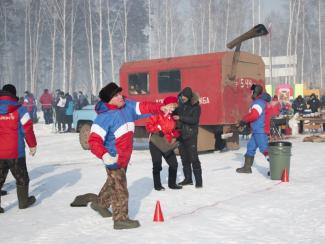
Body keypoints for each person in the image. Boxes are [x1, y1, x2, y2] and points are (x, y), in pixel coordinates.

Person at [87, 82, 175, 230]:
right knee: (120, 188)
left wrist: (160, 108)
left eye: (120, 93)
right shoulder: (104, 118)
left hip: (125, 156)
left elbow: (144, 107)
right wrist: (105, 156)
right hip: (113, 157)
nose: (121, 96)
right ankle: (120, 219)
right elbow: (93, 141)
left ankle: (99, 204)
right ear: (109, 99)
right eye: (116, 95)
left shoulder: (127, 107)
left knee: (113, 182)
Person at [0, 84, 37, 213]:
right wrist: (32, 145)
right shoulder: (20, 109)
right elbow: (27, 129)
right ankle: (23, 202)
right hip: (15, 151)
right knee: (22, 178)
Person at [146, 96, 182, 191]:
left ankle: (172, 184)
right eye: (172, 106)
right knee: (157, 164)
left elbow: (174, 130)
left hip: (166, 143)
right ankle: (157, 185)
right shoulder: (157, 113)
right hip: (156, 143)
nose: (173, 109)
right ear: (166, 105)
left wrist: (176, 133)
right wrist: (157, 130)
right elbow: (149, 125)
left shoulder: (172, 117)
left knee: (173, 163)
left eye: (174, 107)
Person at [173, 87, 203, 188]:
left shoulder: (196, 107)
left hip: (191, 135)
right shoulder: (180, 104)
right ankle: (188, 179)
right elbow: (175, 113)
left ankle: (199, 181)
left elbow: (194, 120)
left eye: (185, 97)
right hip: (181, 135)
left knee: (194, 158)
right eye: (182, 96)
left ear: (189, 97)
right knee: (184, 159)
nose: (183, 98)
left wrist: (180, 118)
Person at [236, 84, 269, 174]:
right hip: (256, 130)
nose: (251, 92)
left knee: (265, 149)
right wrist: (244, 120)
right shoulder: (258, 102)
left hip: (260, 130)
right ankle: (247, 168)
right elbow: (252, 114)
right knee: (250, 147)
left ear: (255, 92)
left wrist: (245, 120)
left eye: (252, 91)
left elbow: (254, 115)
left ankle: (276, 168)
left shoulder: (259, 102)